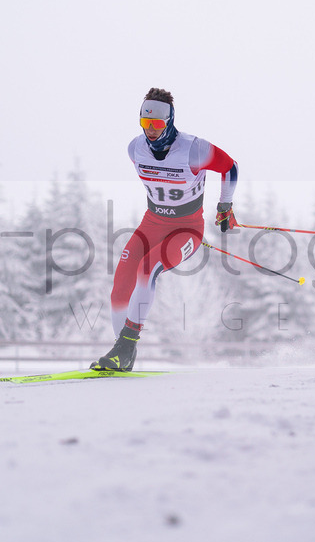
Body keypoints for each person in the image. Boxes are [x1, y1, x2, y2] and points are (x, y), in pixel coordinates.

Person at [92, 88, 239, 371]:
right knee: (120, 287)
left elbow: (230, 167)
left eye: (157, 124)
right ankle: (122, 352)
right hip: (152, 224)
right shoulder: (134, 149)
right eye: (145, 123)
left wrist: (225, 206)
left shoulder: (194, 149)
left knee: (148, 269)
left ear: (169, 121)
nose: (150, 130)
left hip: (187, 229)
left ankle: (126, 345)